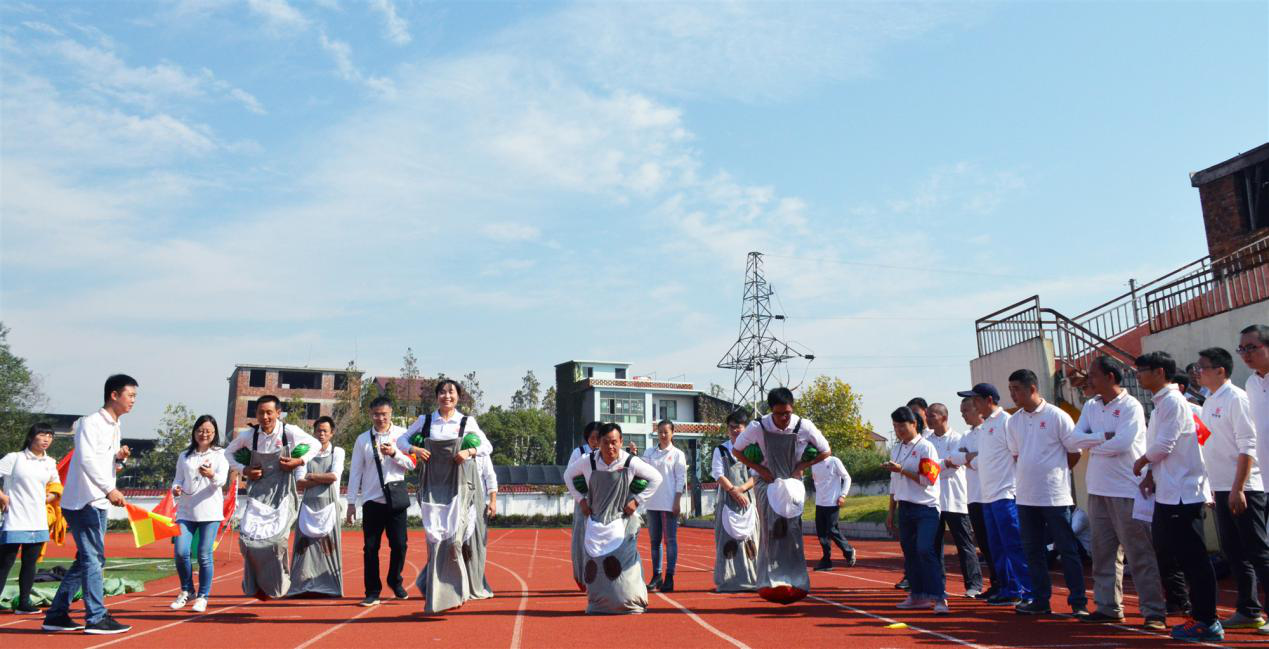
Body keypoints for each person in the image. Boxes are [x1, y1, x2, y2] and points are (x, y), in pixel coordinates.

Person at [1068, 356, 1166, 629]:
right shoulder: (1090, 405)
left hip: (1126, 489)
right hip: (1097, 489)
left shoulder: (1130, 406)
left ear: (1110, 377)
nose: (1089, 380)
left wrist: (1093, 443)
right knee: (1103, 553)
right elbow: (1074, 439)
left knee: (1139, 553)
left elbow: (1123, 443)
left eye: (1093, 375)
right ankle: (1108, 606)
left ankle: (1153, 611)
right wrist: (1102, 437)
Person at [1132, 351, 1222, 642]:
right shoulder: (1161, 405)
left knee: (1194, 559)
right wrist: (1150, 474)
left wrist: (1142, 461)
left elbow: (1164, 446)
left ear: (1159, 372)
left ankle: (1208, 619)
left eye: (1142, 370)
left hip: (1184, 494)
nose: (1138, 375)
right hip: (1169, 494)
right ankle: (1195, 612)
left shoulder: (1173, 402)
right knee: (1170, 551)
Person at [42, 375, 136, 634]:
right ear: (114, 395)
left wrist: (119, 459)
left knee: (86, 558)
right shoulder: (90, 423)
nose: (133, 401)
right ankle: (95, 617)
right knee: (94, 558)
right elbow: (85, 460)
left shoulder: (115, 425)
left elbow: (105, 462)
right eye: (131, 395)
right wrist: (110, 489)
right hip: (85, 500)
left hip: (98, 501)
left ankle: (57, 614)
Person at [399, 379, 493, 614]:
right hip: (432, 486)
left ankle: (456, 591)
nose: (446, 396)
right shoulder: (426, 421)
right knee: (435, 539)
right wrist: (415, 449)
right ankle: (434, 591)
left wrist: (469, 451)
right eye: (442, 392)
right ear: (437, 396)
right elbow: (400, 440)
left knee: (454, 541)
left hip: (459, 486)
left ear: (458, 397)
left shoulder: (466, 421)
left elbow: (487, 447)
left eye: (451, 392)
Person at [733, 387, 831, 604]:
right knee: (771, 530)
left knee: (793, 530)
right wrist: (760, 470)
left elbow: (826, 450)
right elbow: (737, 451)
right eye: (779, 414)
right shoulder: (758, 427)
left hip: (792, 482)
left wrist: (802, 466)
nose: (784, 418)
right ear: (771, 412)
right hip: (766, 482)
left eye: (787, 412)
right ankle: (770, 582)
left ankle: (797, 582)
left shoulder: (803, 425)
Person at [1197, 347, 1269, 631]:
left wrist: (1239, 487)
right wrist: (1213, 488)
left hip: (1245, 487)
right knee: (1234, 552)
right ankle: (1249, 610)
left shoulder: (1236, 397)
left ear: (1220, 371)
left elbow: (1247, 444)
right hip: (1222, 487)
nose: (1197, 371)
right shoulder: (1209, 400)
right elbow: (1207, 444)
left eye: (1203, 367)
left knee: (1259, 552)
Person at [1005, 368, 1087, 617]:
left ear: (1032, 389)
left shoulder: (1057, 416)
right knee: (1033, 550)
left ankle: (1078, 602)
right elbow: (1017, 454)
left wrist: (1055, 473)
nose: (1013, 395)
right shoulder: (1014, 421)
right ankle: (1041, 599)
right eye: (1010, 390)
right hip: (1026, 496)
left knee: (1067, 549)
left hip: (1054, 496)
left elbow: (1075, 452)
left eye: (1016, 389)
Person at [224, 394, 320, 600]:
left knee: (276, 542)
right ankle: (256, 585)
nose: (265, 417)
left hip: (283, 493)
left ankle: (279, 581)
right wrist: (245, 470)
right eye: (261, 412)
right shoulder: (249, 435)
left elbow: (315, 445)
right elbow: (228, 453)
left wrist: (298, 461)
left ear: (278, 413)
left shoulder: (289, 432)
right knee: (246, 540)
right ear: (256, 414)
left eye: (269, 412)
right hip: (257, 494)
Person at [563, 422, 663, 614]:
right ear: (598, 443)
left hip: (623, 522)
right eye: (605, 442)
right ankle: (598, 604)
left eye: (614, 442)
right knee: (597, 568)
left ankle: (632, 603)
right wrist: (581, 501)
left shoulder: (629, 461)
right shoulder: (588, 461)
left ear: (621, 442)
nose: (610, 447)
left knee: (624, 567)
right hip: (596, 522)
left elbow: (656, 478)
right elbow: (568, 476)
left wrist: (637, 501)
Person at [957, 382, 1030, 607]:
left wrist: (970, 459)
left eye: (976, 400)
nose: (973, 404)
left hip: (1005, 494)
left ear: (989, 400)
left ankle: (1027, 591)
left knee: (1013, 545)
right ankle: (1008, 588)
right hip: (988, 496)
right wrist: (972, 459)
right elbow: (986, 458)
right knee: (996, 547)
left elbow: (1017, 453)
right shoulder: (987, 425)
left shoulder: (1006, 422)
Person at [346, 397, 415, 606]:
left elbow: (411, 464)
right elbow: (355, 472)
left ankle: (395, 580)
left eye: (384, 414)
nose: (380, 418)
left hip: (395, 500)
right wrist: (351, 503)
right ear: (370, 414)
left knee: (400, 545)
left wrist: (394, 453)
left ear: (391, 413)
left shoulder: (403, 435)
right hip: (371, 501)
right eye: (376, 414)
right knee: (370, 548)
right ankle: (372, 591)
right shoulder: (363, 439)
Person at [884, 406, 947, 613]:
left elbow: (929, 479)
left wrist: (902, 470)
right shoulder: (897, 448)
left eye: (902, 425)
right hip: (905, 507)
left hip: (926, 508)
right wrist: (891, 511)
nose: (899, 430)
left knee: (924, 550)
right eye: (895, 426)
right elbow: (894, 483)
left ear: (914, 424)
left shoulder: (926, 447)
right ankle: (918, 595)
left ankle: (939, 597)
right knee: (910, 552)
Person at [169, 415, 228, 613]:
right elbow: (177, 479)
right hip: (186, 511)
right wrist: (176, 488)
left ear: (214, 434)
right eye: (200, 430)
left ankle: (203, 595)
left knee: (204, 554)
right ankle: (187, 590)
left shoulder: (221, 454)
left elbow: (222, 481)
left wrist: (211, 474)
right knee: (180, 552)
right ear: (194, 432)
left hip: (210, 512)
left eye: (208, 431)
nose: (204, 434)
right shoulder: (185, 455)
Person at [0, 423, 60, 615]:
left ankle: (23, 603)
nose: (46, 439)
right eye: (42, 435)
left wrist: (48, 498)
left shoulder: (50, 462)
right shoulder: (14, 458)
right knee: (5, 563)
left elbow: (56, 486)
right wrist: (1, 496)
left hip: (37, 520)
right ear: (31, 437)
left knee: (30, 563)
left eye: (50, 436)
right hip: (15, 519)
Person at [927, 403, 982, 598]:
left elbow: (953, 466)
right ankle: (937, 585)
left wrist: (942, 465)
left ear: (943, 417)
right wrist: (947, 462)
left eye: (932, 415)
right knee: (934, 545)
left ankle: (974, 584)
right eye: (927, 416)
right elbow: (927, 469)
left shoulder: (958, 438)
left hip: (956, 499)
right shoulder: (927, 441)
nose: (928, 419)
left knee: (964, 543)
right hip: (933, 500)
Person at [287, 416, 345, 598]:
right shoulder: (305, 452)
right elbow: (299, 482)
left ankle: (330, 586)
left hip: (329, 504)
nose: (321, 434)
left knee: (330, 547)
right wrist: (320, 478)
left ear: (332, 433)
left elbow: (334, 476)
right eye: (318, 430)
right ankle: (301, 585)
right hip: (308, 505)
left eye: (325, 431)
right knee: (304, 547)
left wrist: (312, 476)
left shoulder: (338, 452)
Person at [948, 397, 997, 600]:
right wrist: (971, 457)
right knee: (985, 545)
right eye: (961, 411)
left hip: (993, 495)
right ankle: (996, 584)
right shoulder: (967, 435)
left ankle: (1009, 585)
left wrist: (971, 457)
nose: (963, 415)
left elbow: (990, 455)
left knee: (998, 544)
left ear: (977, 409)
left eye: (966, 410)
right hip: (974, 496)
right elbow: (954, 458)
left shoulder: (991, 430)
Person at [712, 410, 759, 592]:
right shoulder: (721, 450)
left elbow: (756, 475)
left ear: (745, 429)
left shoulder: (752, 449)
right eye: (731, 428)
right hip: (727, 502)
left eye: (738, 427)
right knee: (727, 542)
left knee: (750, 541)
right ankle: (728, 581)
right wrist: (733, 491)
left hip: (747, 501)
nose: (735, 431)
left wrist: (742, 490)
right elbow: (718, 474)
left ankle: (752, 579)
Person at [642, 419, 686, 593]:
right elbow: (642, 471)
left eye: (666, 432)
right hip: (652, 502)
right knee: (654, 541)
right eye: (660, 432)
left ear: (672, 433)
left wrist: (677, 500)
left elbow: (680, 480)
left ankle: (670, 577)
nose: (662, 435)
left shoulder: (677, 454)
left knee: (671, 541)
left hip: (669, 503)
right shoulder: (649, 452)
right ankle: (656, 575)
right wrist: (634, 454)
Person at [810, 446, 855, 571]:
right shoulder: (813, 464)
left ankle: (849, 551)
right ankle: (826, 560)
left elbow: (847, 477)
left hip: (833, 502)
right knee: (822, 534)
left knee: (831, 530)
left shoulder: (834, 461)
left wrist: (843, 495)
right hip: (820, 503)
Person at [570, 421, 602, 591]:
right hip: (583, 503)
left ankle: (600, 579)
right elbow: (570, 477)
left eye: (598, 438)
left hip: (603, 503)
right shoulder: (579, 453)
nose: (595, 441)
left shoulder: (607, 453)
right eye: (592, 438)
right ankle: (582, 577)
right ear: (587, 438)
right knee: (581, 540)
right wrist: (581, 500)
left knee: (601, 541)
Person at [466, 451, 498, 600]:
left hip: (477, 503)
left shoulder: (482, 453)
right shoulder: (453, 449)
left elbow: (490, 477)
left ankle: (477, 583)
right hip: (456, 502)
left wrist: (493, 501)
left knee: (478, 546)